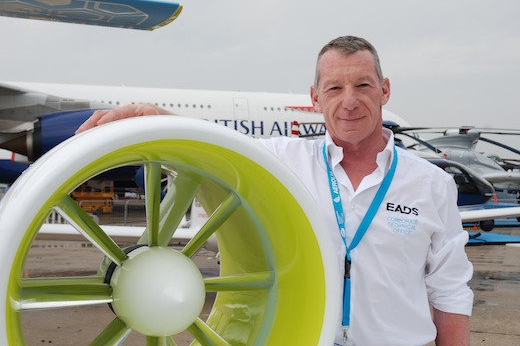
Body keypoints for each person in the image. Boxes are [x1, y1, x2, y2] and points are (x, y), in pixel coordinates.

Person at [77, 36, 473, 345]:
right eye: (334, 88)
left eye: (363, 85)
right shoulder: (282, 162)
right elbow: (214, 147)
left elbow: (450, 290)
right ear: (315, 98)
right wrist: (157, 118)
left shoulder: (431, 184)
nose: (349, 101)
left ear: (384, 91)